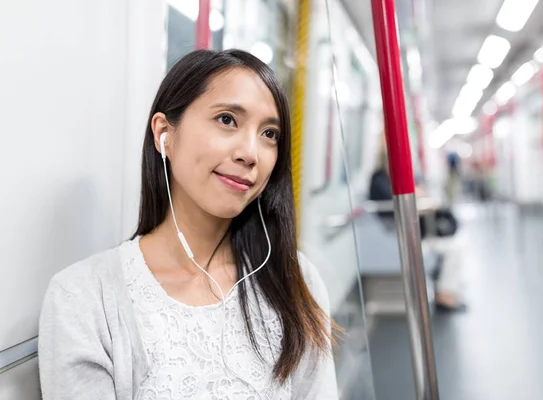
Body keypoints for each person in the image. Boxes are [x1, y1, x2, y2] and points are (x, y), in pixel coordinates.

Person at [38, 49, 338, 399]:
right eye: (227, 120)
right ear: (164, 133)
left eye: (269, 134)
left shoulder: (294, 280)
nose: (250, 153)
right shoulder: (85, 297)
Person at [368, 140, 466, 312]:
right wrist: (417, 202)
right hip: (396, 235)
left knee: (454, 244)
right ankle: (444, 295)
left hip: (400, 231)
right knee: (454, 247)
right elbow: (394, 207)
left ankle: (447, 291)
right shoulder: (379, 181)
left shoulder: (384, 179)